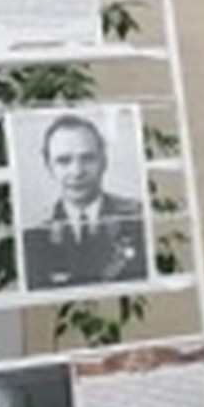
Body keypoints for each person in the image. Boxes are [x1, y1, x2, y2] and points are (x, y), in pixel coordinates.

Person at [22, 113, 149, 290]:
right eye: (64, 161)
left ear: (104, 161)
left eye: (88, 158)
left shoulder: (138, 219)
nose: (77, 172)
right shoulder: (34, 235)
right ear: (49, 166)